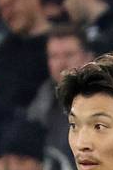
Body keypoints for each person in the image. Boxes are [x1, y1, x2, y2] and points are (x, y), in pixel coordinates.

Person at [27, 24, 94, 160]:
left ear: (88, 58)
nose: (61, 63)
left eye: (69, 55)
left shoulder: (105, 98)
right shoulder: (42, 100)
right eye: (54, 57)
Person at [0, 0, 51, 109]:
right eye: (2, 9)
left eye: (12, 3)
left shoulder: (63, 42)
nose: (8, 13)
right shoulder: (4, 49)